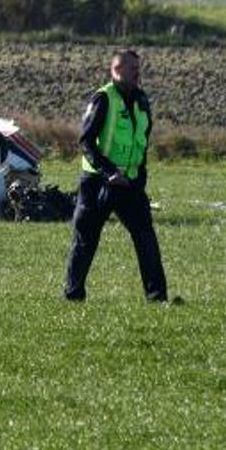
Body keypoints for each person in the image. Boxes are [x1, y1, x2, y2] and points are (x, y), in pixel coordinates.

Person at [65, 48, 169, 302]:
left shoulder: (141, 100)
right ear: (116, 70)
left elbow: (141, 143)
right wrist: (109, 171)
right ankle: (73, 295)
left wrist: (139, 178)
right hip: (98, 183)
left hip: (130, 184)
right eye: (132, 69)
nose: (138, 74)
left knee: (146, 239)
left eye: (138, 69)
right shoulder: (103, 99)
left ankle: (157, 297)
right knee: (85, 241)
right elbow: (86, 142)